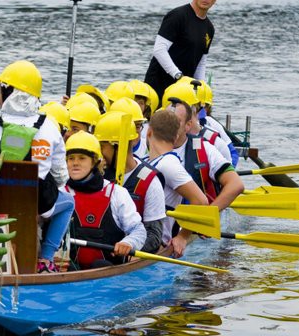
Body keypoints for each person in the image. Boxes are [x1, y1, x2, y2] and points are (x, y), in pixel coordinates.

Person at [0, 60, 74, 274]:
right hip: (39, 203)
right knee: (69, 202)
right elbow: (61, 176)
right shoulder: (50, 127)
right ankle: (45, 259)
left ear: (9, 92)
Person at [63, 131, 146, 269]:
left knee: (99, 265)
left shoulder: (117, 193)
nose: (75, 163)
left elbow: (138, 230)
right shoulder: (61, 193)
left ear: (95, 162)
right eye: (71, 158)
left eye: (82, 158)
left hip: (108, 275)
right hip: (69, 272)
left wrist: (128, 243)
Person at [95, 112, 165, 254]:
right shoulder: (96, 173)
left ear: (118, 146)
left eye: (102, 147)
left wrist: (128, 248)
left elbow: (154, 235)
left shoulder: (150, 182)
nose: (98, 154)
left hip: (124, 253)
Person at [145, 110, 209, 257]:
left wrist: (183, 236)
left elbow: (201, 201)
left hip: (157, 244)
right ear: (176, 137)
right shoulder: (147, 161)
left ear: (149, 132)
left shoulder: (168, 164)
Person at [144, 0, 219, 99]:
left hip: (184, 90)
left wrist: (202, 88)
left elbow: (200, 63)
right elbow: (159, 50)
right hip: (158, 86)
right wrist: (178, 75)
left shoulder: (209, 28)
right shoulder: (177, 16)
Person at [167, 95, 244, 210]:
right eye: (166, 121)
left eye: (176, 122)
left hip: (194, 221)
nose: (168, 127)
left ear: (188, 125)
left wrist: (209, 214)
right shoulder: (148, 144)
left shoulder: (207, 148)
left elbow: (236, 185)